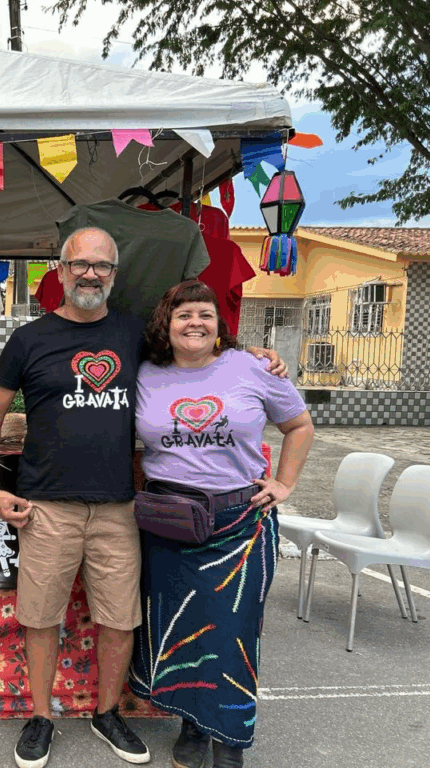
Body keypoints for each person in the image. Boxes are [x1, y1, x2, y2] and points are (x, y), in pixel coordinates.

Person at [0, 229, 285, 768]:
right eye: (80, 264)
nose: (90, 274)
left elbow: (192, 348)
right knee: (41, 617)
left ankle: (107, 713)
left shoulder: (133, 333)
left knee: (119, 619)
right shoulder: (28, 339)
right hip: (45, 506)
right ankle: (42, 717)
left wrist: (247, 354)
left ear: (114, 275)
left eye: (101, 265)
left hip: (120, 506)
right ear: (60, 271)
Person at [129, 280, 314, 768]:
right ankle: (193, 726)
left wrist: (284, 483)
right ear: (166, 324)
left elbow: (299, 425)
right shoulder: (145, 373)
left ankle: (229, 739)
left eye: (205, 314)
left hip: (240, 524)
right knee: (182, 631)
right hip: (169, 525)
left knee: (234, 633)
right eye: (184, 314)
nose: (195, 323)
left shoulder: (251, 367)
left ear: (219, 324)